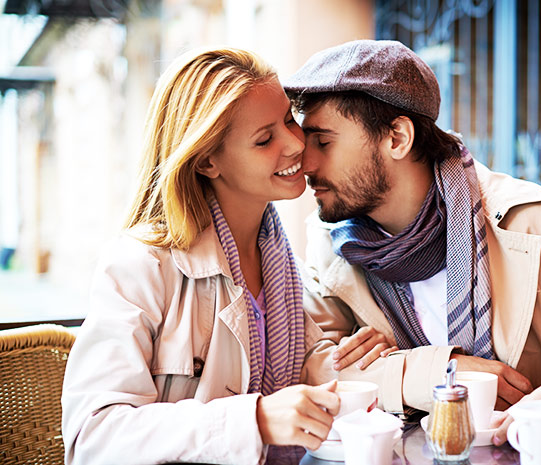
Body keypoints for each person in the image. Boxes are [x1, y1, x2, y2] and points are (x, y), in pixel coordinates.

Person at [283, 40, 541, 447]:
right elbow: (313, 369)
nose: (305, 164)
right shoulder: (329, 244)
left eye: (323, 142)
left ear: (397, 138)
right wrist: (434, 371)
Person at [61, 46, 386, 465]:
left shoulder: (279, 262)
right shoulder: (139, 265)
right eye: (264, 139)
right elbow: (92, 437)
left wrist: (416, 368)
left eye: (289, 119)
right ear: (208, 161)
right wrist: (251, 420)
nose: (295, 143)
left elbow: (314, 366)